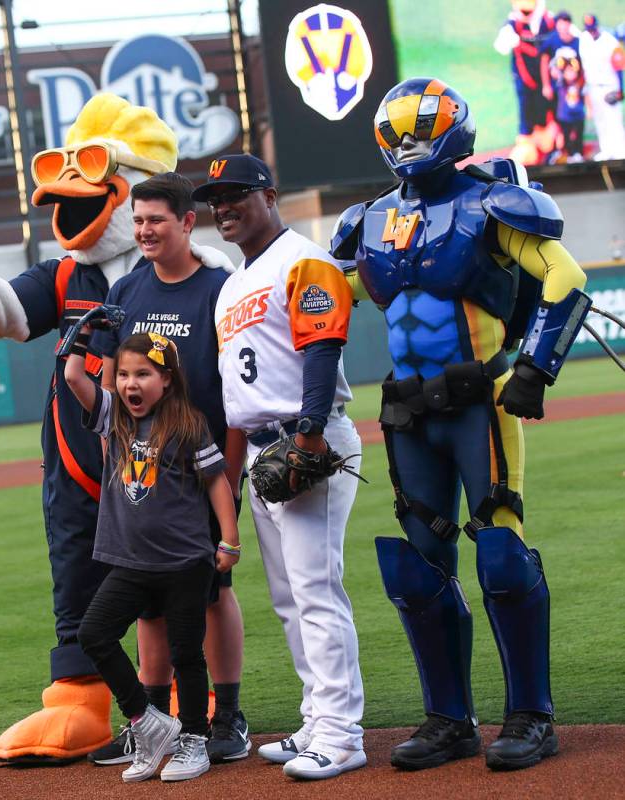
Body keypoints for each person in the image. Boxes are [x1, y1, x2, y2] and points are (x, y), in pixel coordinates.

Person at [0, 94, 230, 762]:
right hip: (76, 457)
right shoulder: (69, 273)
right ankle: (80, 698)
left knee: (187, 586)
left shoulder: (186, 275)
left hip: (167, 462)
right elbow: (5, 315)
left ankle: (197, 701)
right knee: (76, 575)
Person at [333, 77, 590, 772]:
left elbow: (565, 278)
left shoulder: (492, 205)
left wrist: (536, 367)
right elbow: (322, 298)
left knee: (502, 558)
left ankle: (531, 716)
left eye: (424, 131)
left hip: (482, 403)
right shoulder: (368, 222)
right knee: (418, 571)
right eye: (401, 134)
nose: (412, 146)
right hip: (408, 413)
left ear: (454, 131)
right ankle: (449, 720)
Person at [192, 154, 366, 781]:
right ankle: (318, 718)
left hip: (306, 439)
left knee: (317, 592)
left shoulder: (304, 259)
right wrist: (231, 485)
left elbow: (322, 347)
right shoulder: (233, 284)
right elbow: (237, 404)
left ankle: (343, 735)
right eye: (216, 198)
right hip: (263, 449)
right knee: (291, 599)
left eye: (237, 192)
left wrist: (313, 436)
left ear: (270, 194)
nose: (224, 206)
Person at [89, 172, 250, 766]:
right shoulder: (129, 289)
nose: (144, 230)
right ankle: (151, 721)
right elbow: (110, 378)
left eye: (156, 219)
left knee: (213, 592)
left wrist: (229, 475)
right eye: (137, 221)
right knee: (149, 601)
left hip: (203, 466)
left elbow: (235, 393)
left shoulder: (219, 288)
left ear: (188, 222)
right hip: (142, 477)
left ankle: (225, 714)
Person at [64, 329, 241, 782]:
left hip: (185, 562)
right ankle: (148, 721)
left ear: (166, 380)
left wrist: (229, 539)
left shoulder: (186, 424)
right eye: (123, 375)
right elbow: (73, 378)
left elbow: (217, 482)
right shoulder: (115, 419)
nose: (131, 384)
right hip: (131, 563)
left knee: (187, 654)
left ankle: (195, 742)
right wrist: (82, 341)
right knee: (94, 634)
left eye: (143, 374)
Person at [494, 0, 557, 164]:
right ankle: (527, 141)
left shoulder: (549, 21)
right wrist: (510, 39)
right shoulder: (513, 25)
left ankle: (547, 138)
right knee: (526, 106)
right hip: (523, 77)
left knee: (546, 106)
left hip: (546, 77)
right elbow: (501, 46)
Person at [540, 12, 585, 161]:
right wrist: (546, 85)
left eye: (565, 22)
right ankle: (559, 150)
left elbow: (583, 66)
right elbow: (544, 61)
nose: (563, 26)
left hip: (573, 90)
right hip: (557, 89)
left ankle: (575, 151)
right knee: (558, 119)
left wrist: (580, 85)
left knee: (575, 120)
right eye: (560, 22)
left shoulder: (578, 41)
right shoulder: (553, 40)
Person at [579, 13, 625, 160]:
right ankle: (606, 150)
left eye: (593, 28)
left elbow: (619, 67)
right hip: (593, 87)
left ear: (597, 26)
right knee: (600, 120)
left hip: (609, 86)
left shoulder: (610, 42)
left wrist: (620, 90)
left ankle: (620, 151)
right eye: (588, 28)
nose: (591, 31)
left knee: (613, 120)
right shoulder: (584, 40)